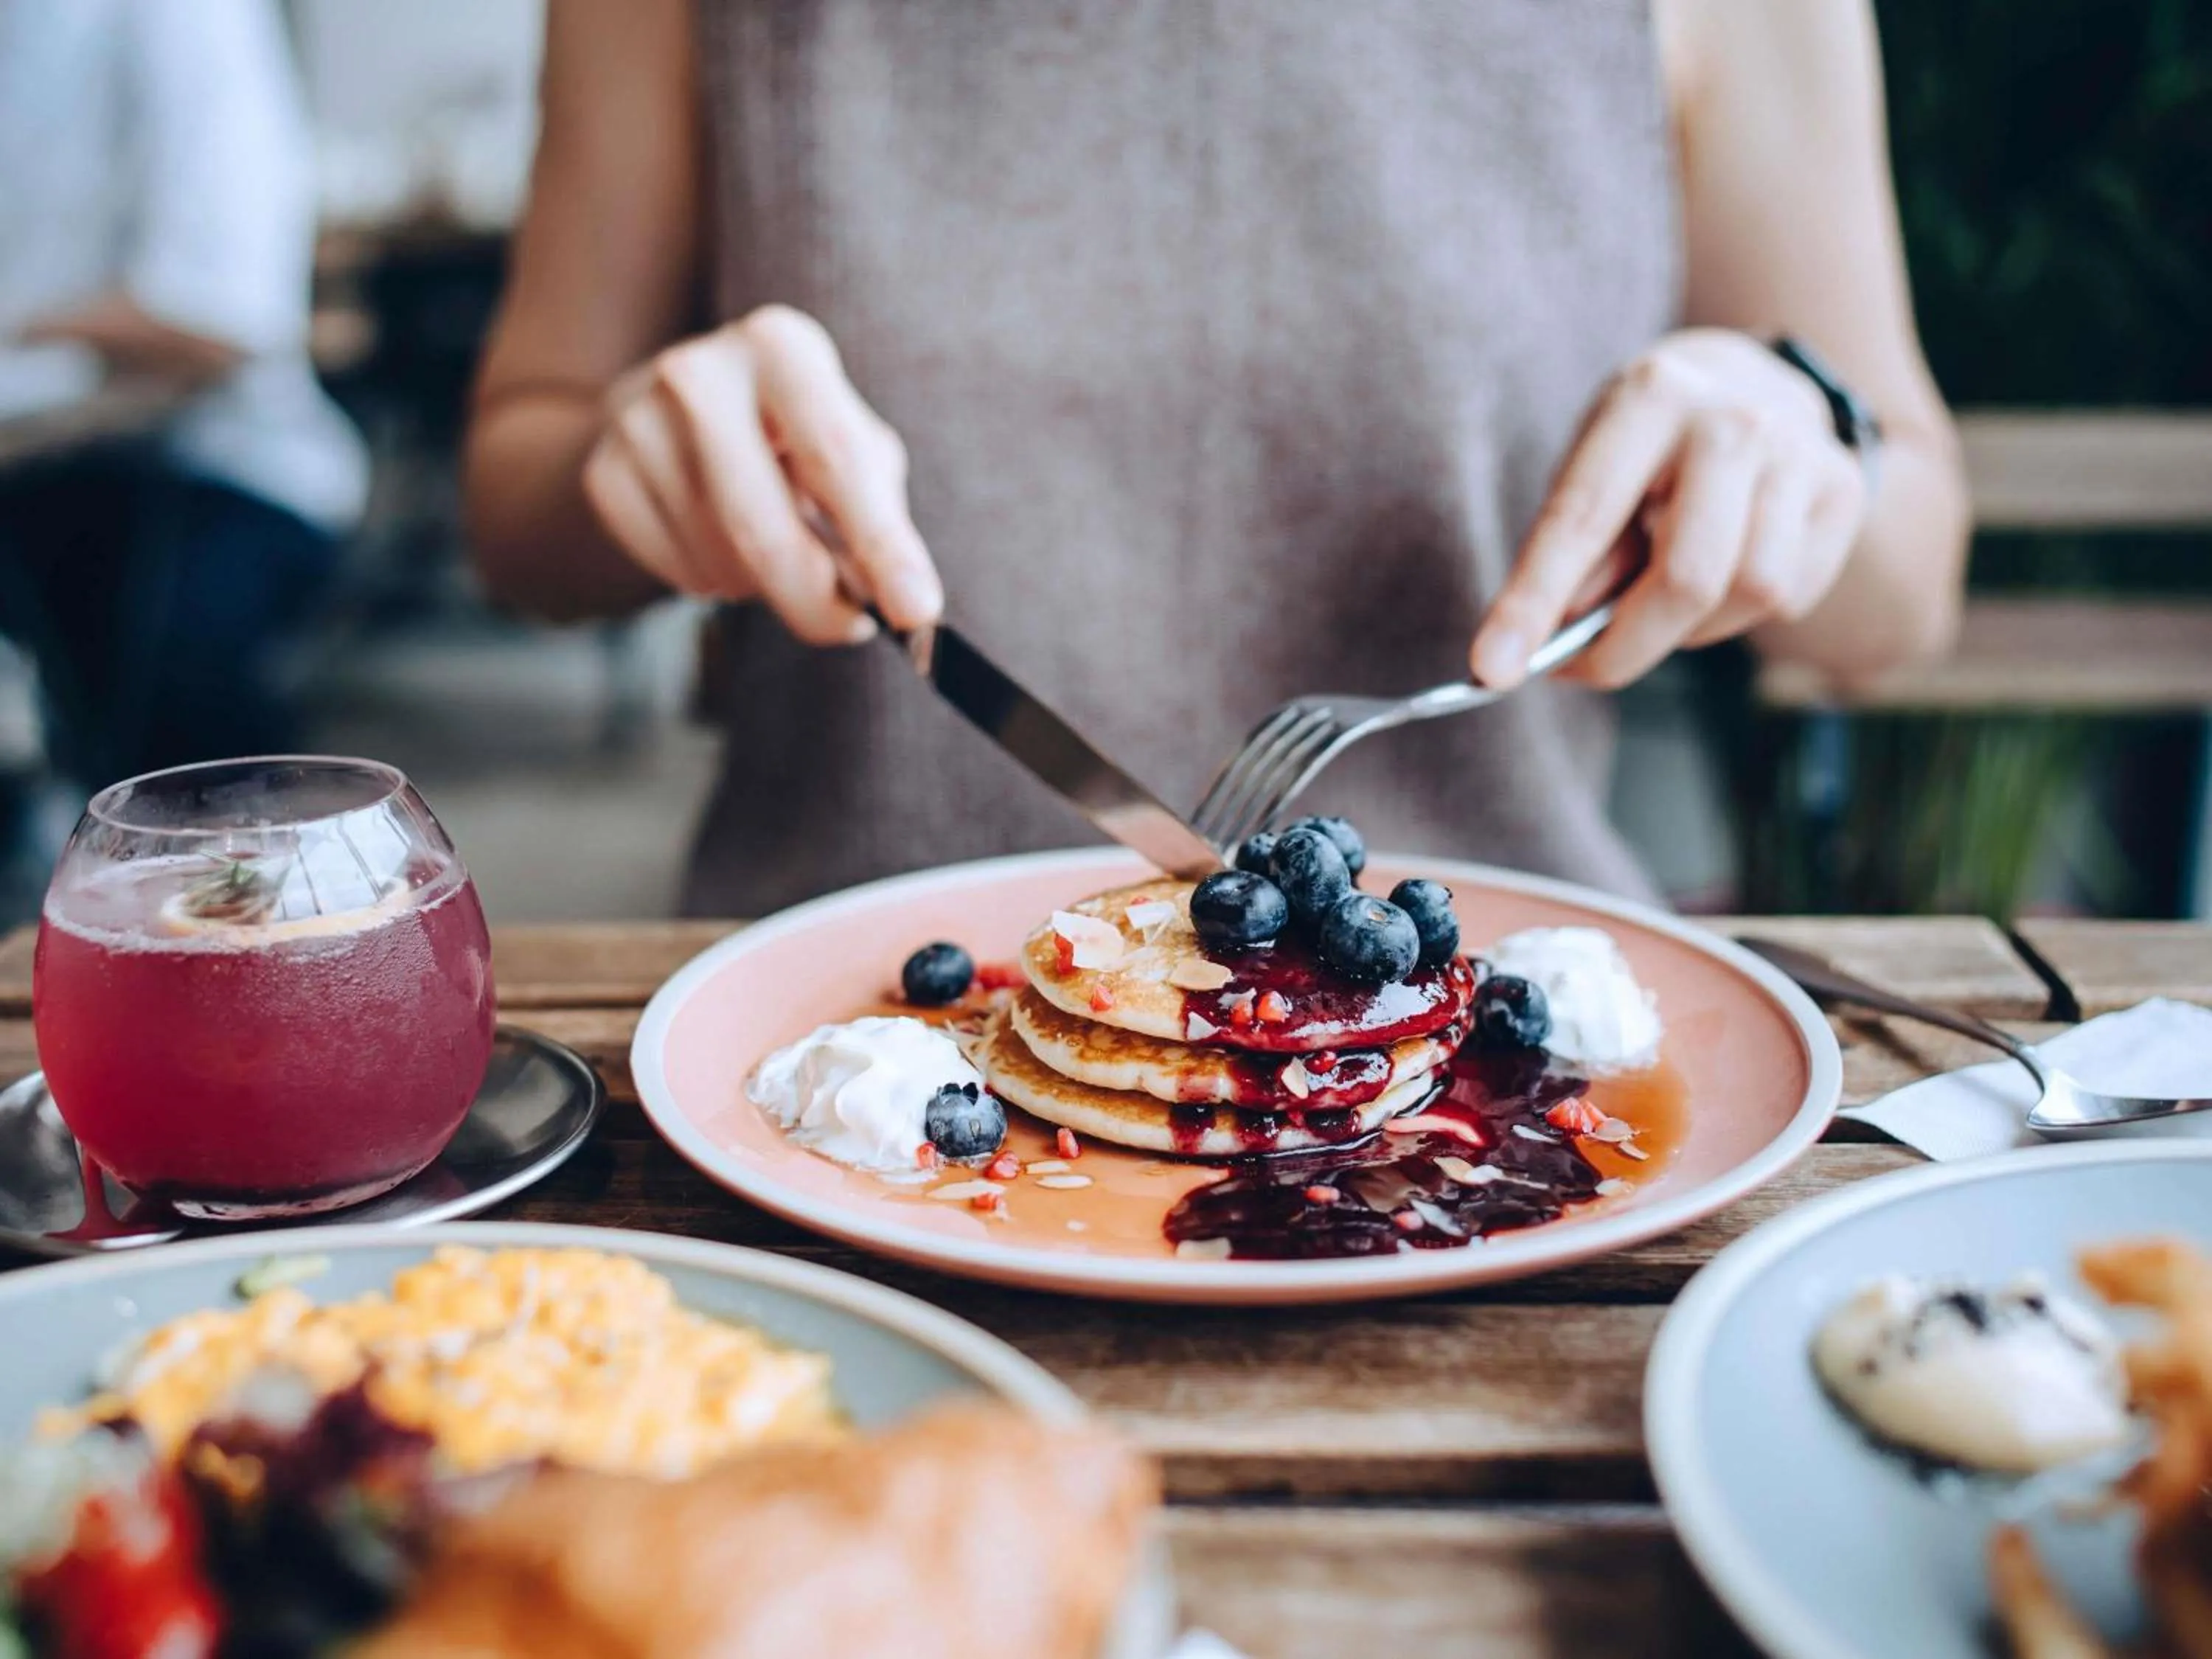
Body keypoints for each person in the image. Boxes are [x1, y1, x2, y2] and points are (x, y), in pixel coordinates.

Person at [467, 0, 1970, 917]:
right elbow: (517, 511)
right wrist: (633, 460)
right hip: (831, 1049)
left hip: (1506, 1088)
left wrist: (1801, 440)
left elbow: (1905, 597)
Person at [0, 0, 368, 793]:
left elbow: (215, 316)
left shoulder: (182, 19)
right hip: (38, 465)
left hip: (211, 472)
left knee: (179, 752)